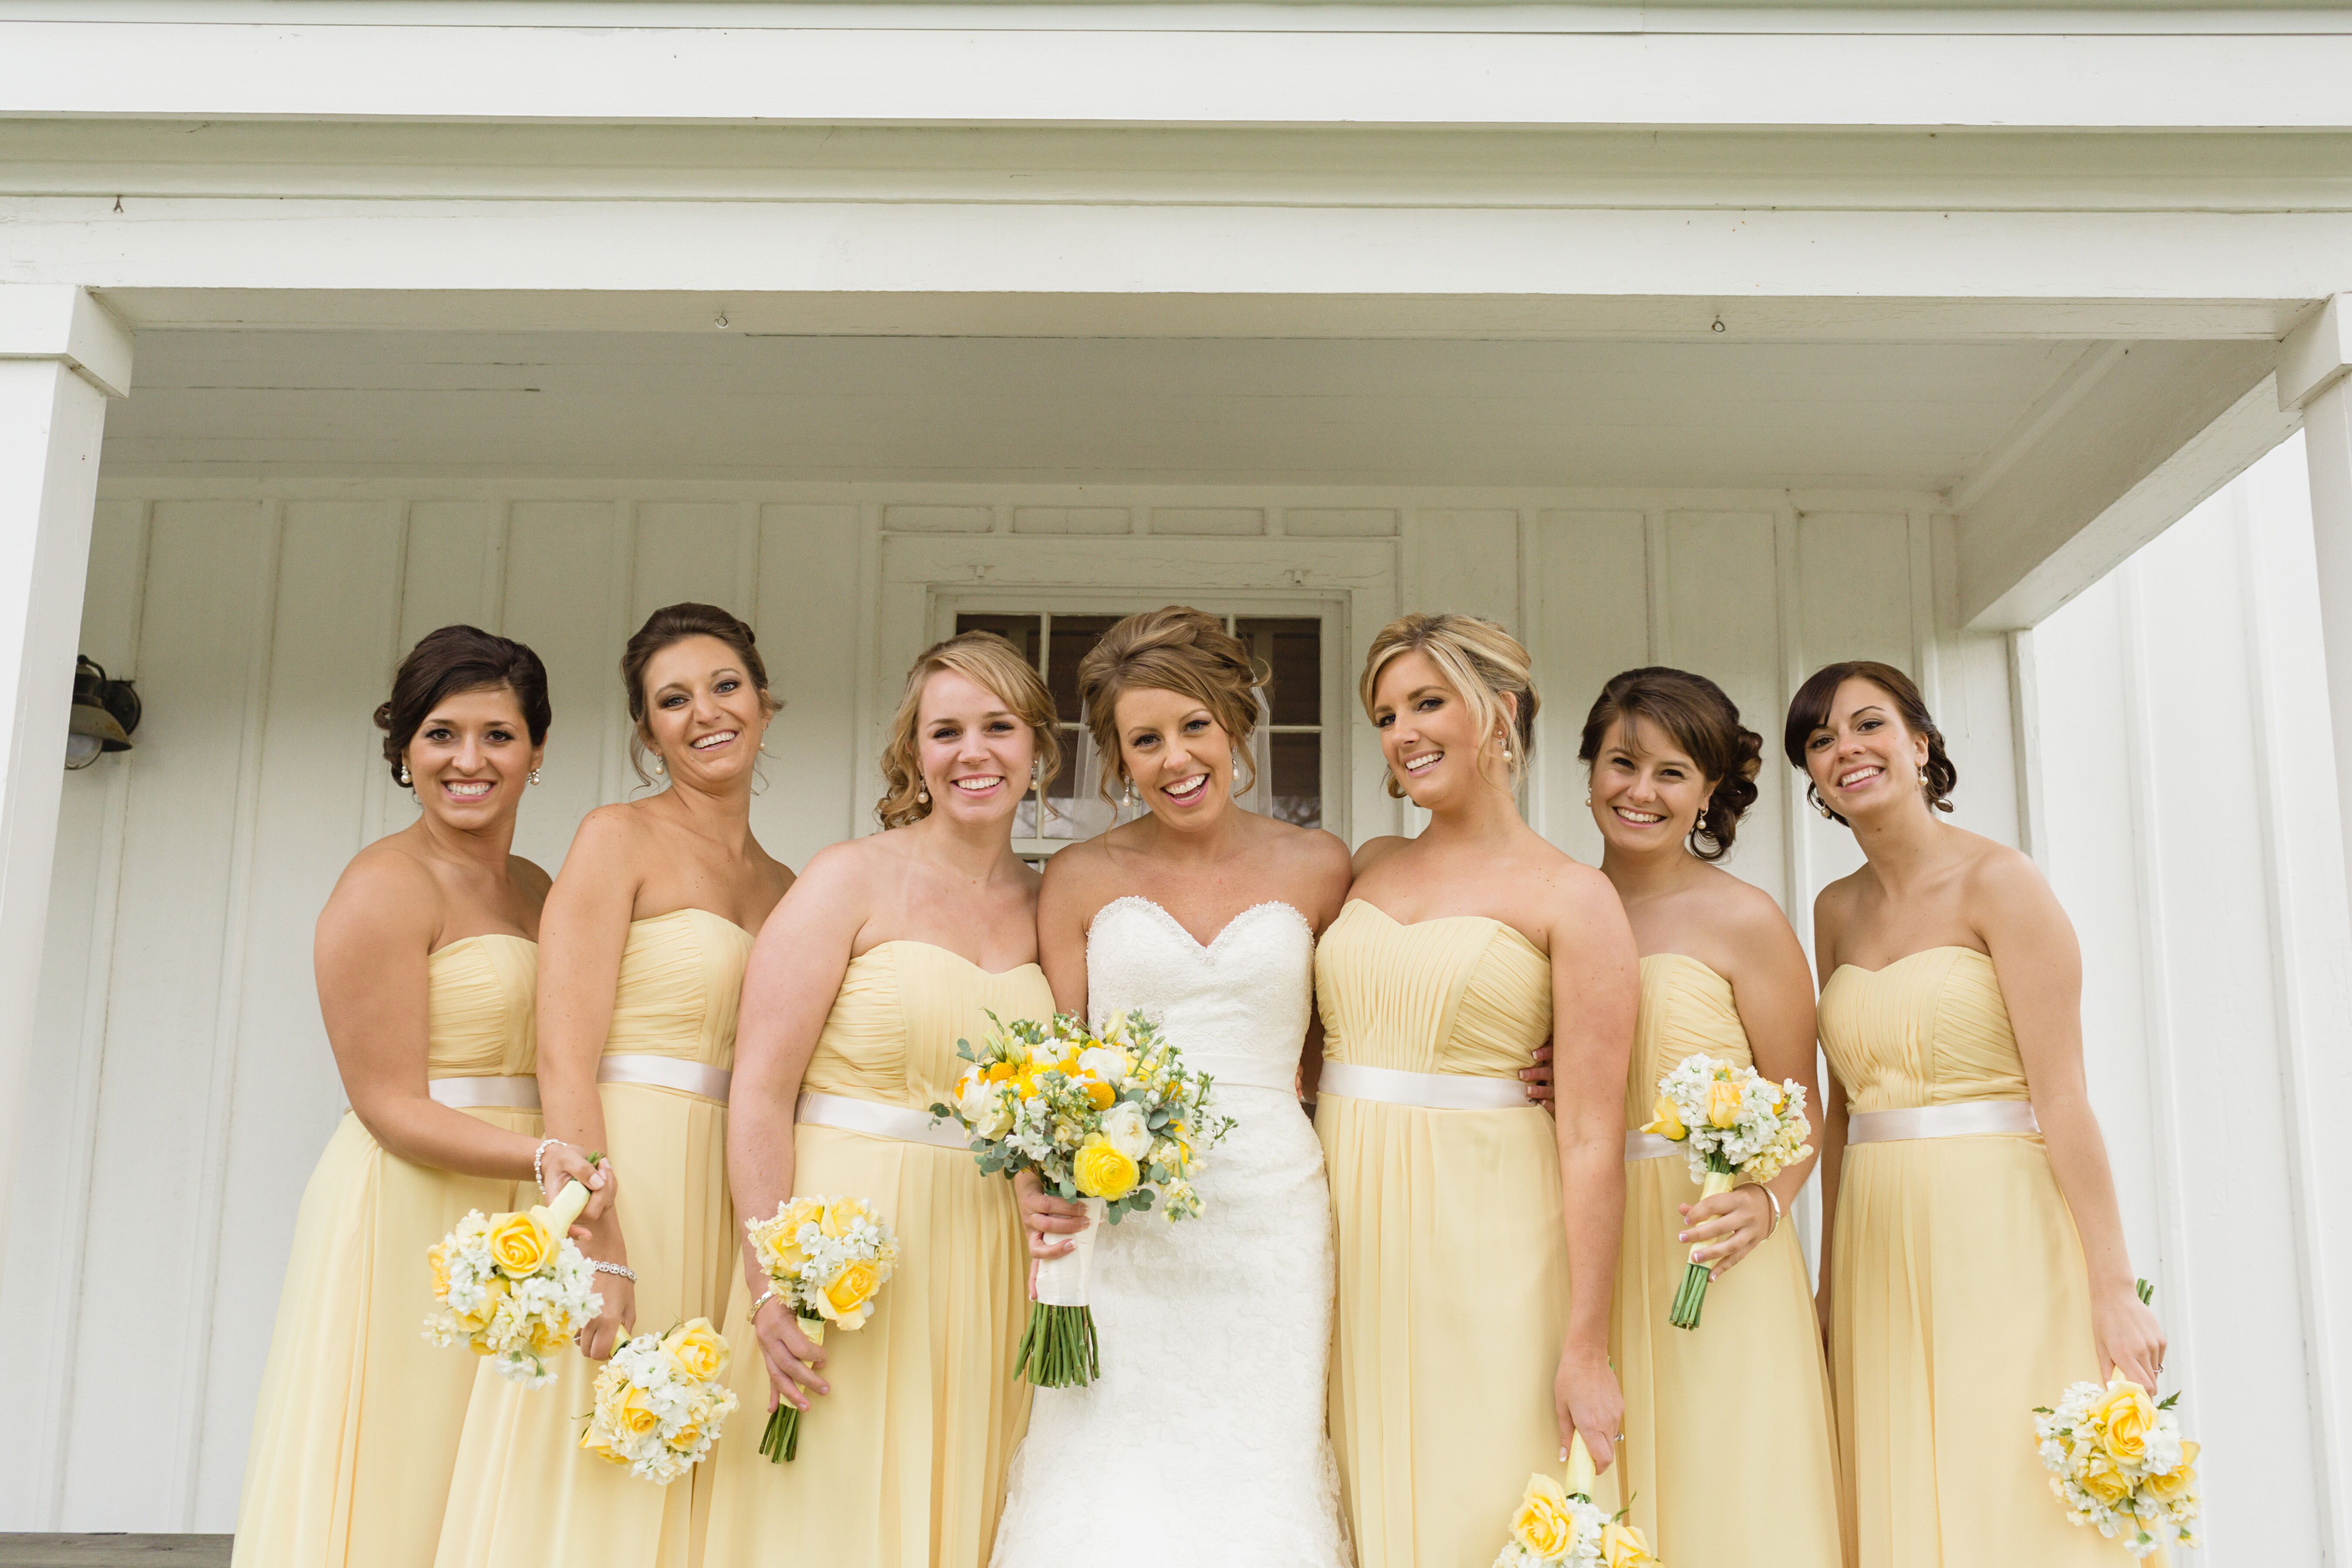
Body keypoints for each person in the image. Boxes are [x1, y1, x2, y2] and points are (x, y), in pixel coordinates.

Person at [991, 606, 1354, 1568]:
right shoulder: (1076, 875)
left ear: (1236, 725)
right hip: (1126, 1221)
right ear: (1116, 759)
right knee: (1112, 1462)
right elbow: (1054, 1070)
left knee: (1259, 1461)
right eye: (1143, 740)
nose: (1175, 757)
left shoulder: (1321, 868)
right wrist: (1045, 1180)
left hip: (1272, 1216)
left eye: (1194, 726)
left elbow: (1351, 1038)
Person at [234, 625, 604, 1568]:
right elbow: (384, 1101)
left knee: (504, 1476)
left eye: (497, 735)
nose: (468, 761)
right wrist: (536, 1160)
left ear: (538, 750)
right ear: (405, 748)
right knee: (405, 1463)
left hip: (531, 1212)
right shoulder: (382, 886)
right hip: (412, 1209)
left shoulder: (537, 887)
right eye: (441, 734)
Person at [436, 603, 791, 1568]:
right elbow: (564, 1051)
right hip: (621, 1173)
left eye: (724, 686)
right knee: (591, 1432)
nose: (704, 713)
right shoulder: (617, 838)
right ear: (648, 732)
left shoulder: (784, 884)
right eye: (672, 701)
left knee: (690, 1434)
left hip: (727, 1187)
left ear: (763, 701)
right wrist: (599, 1240)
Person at [1793, 658, 2164, 1568]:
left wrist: (2115, 1289)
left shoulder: (2003, 883)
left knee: (2001, 1476)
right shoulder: (1834, 909)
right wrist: (1831, 1281)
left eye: (1869, 725)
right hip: (1880, 1235)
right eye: (1821, 738)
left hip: (1999, 1225)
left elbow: (2064, 1095)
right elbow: (1841, 1114)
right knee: (1900, 1477)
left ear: (1920, 744)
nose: (1847, 750)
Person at [703, 632, 1058, 1568]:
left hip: (987, 1254)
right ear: (914, 754)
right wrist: (770, 1279)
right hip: (846, 1249)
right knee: (833, 1504)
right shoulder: (847, 879)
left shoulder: (1050, 903)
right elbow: (760, 1094)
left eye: (998, 727)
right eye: (946, 732)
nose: (972, 752)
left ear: (1038, 748)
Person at [1315, 612, 1638, 1568]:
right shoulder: (1367, 866)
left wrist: (1586, 1343)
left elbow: (1589, 1134)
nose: (1402, 732)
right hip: (1343, 1232)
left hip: (1491, 1239)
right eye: (1385, 714)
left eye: (1427, 702)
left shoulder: (1574, 897)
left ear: (1498, 712)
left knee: (1481, 1488)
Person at [1581, 666, 1841, 1566]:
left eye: (1671, 774)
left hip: (1717, 1251)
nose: (1639, 792)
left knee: (1733, 1489)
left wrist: (1767, 1205)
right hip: (1589, 1243)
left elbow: (1801, 1106)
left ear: (1708, 794)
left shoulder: (1746, 920)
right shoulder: (1556, 909)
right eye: (1622, 763)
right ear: (1590, 770)